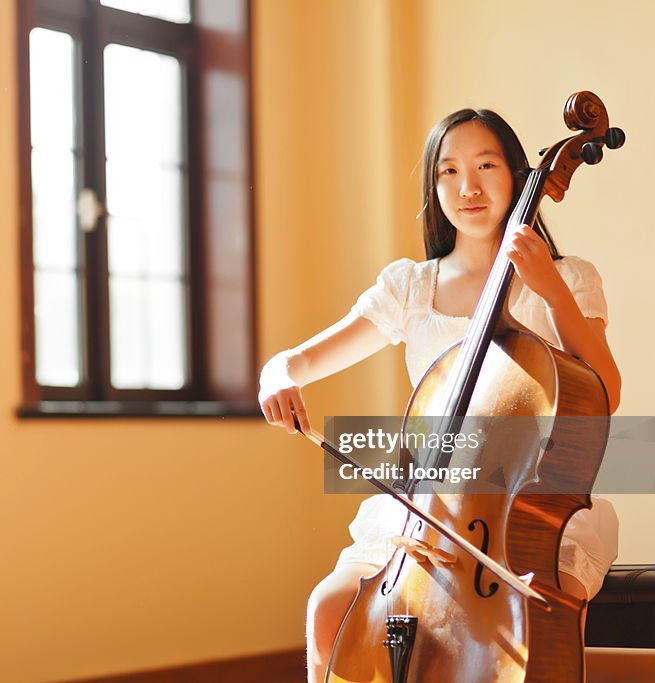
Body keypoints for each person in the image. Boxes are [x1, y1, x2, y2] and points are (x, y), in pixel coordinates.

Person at [258, 108, 622, 683]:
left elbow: (606, 389)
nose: (467, 187)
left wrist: (551, 293)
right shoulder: (411, 288)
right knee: (330, 610)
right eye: (448, 171)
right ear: (434, 186)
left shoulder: (569, 277)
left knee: (535, 621)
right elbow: (302, 358)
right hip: (427, 507)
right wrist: (278, 373)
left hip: (530, 505)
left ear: (519, 175)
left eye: (485, 166)